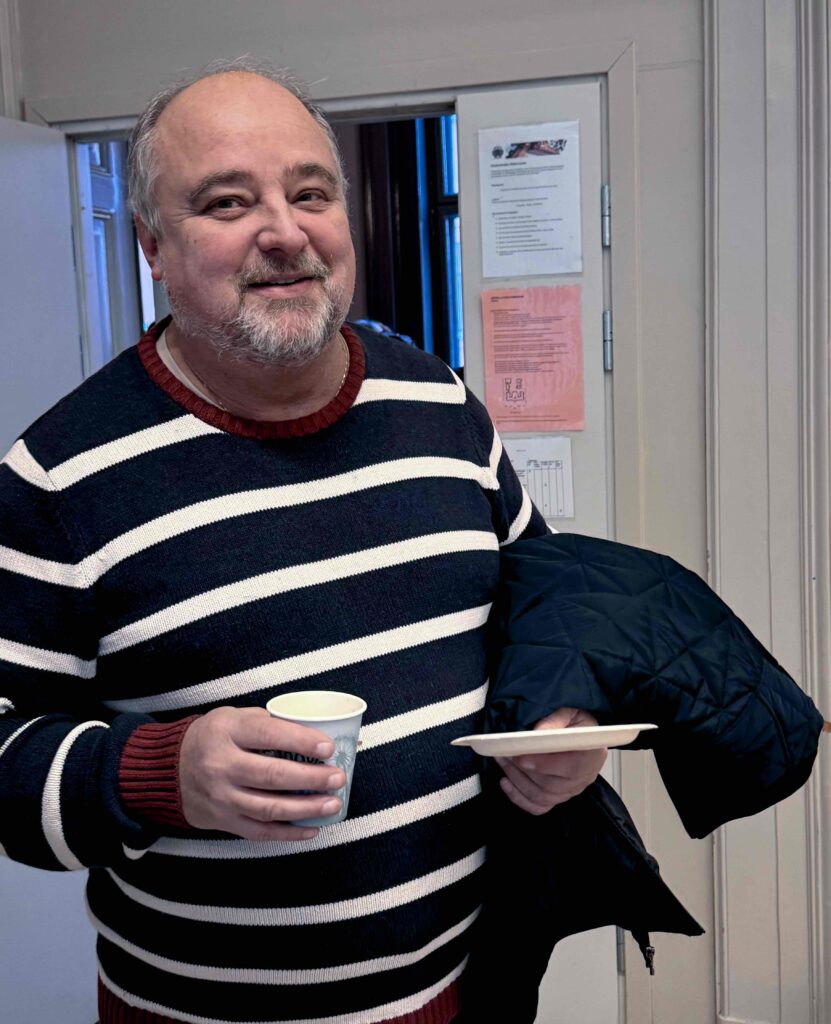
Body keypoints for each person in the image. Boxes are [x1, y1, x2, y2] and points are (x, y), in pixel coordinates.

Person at [0, 56, 607, 1024]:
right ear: (153, 246)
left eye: (310, 193)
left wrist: (561, 722)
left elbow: (546, 605)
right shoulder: (58, 478)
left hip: (468, 987)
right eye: (227, 202)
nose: (285, 232)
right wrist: (163, 775)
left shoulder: (438, 400)